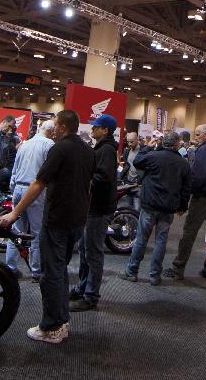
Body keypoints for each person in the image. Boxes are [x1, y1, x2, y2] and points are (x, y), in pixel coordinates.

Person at [0, 110, 93, 345]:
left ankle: (51, 327)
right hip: (77, 219)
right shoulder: (88, 150)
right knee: (60, 270)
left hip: (58, 219)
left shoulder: (59, 149)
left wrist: (15, 212)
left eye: (56, 125)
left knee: (51, 274)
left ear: (61, 126)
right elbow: (89, 184)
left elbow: (39, 183)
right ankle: (62, 321)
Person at [119, 130, 191, 286]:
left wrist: (147, 148)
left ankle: (132, 272)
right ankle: (154, 276)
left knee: (141, 239)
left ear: (162, 142)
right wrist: (182, 206)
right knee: (161, 241)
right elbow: (186, 188)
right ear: (177, 144)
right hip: (168, 207)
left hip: (149, 204)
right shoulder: (182, 164)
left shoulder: (153, 156)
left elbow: (137, 161)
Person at [164, 124, 206, 282]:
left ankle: (178, 268)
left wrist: (187, 194)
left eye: (198, 134)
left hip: (202, 197)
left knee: (189, 232)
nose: (196, 137)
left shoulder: (203, 151)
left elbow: (198, 177)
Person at [70, 113, 119, 312]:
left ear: (105, 130)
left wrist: (85, 178)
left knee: (92, 252)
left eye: (96, 127)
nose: (92, 129)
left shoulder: (106, 149)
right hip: (94, 207)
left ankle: (90, 296)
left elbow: (103, 177)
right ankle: (82, 289)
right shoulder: (103, 148)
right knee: (85, 250)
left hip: (98, 209)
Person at [5, 120, 56, 281]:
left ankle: (10, 268)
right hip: (35, 190)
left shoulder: (24, 144)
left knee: (16, 231)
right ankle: (36, 271)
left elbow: (14, 169)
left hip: (19, 188)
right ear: (51, 132)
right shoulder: (49, 145)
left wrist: (13, 188)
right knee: (36, 232)